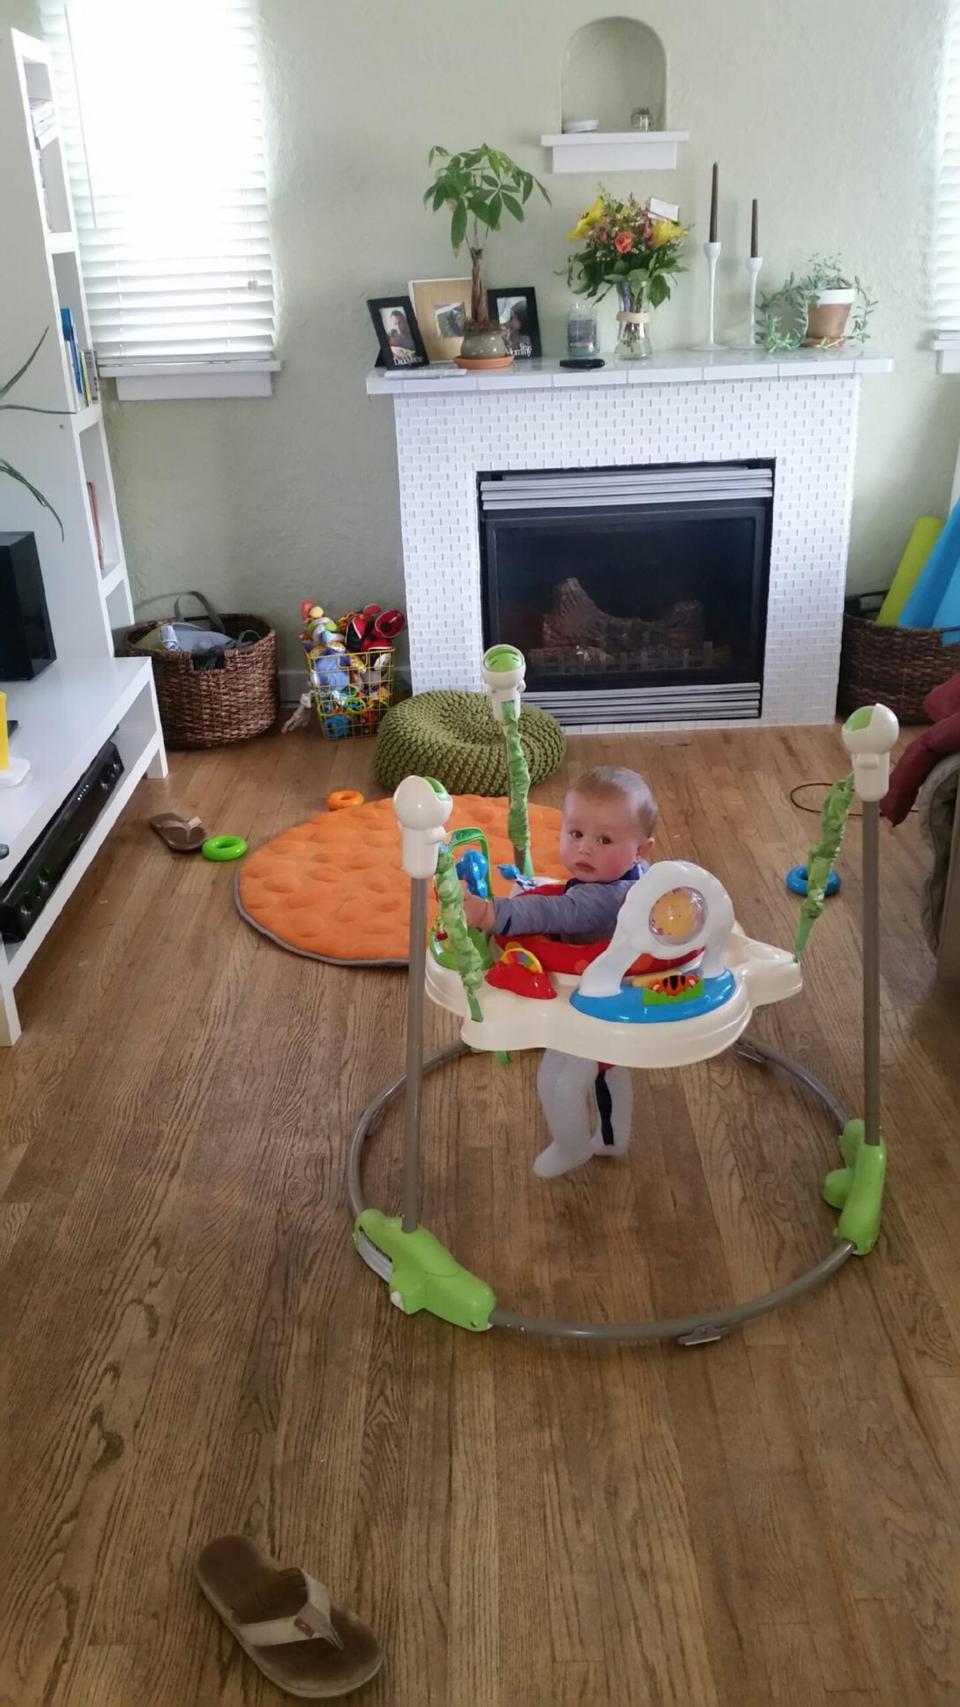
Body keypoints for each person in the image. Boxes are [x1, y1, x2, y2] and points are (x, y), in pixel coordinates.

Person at [463, 766, 657, 1178]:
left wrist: (491, 913)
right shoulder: (634, 878)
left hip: (588, 1001)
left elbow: (559, 911)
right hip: (617, 995)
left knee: (558, 1081)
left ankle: (572, 1147)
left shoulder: (608, 898)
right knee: (610, 1068)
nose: (585, 849)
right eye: (576, 833)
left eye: (604, 840)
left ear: (641, 850)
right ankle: (611, 1139)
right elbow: (563, 898)